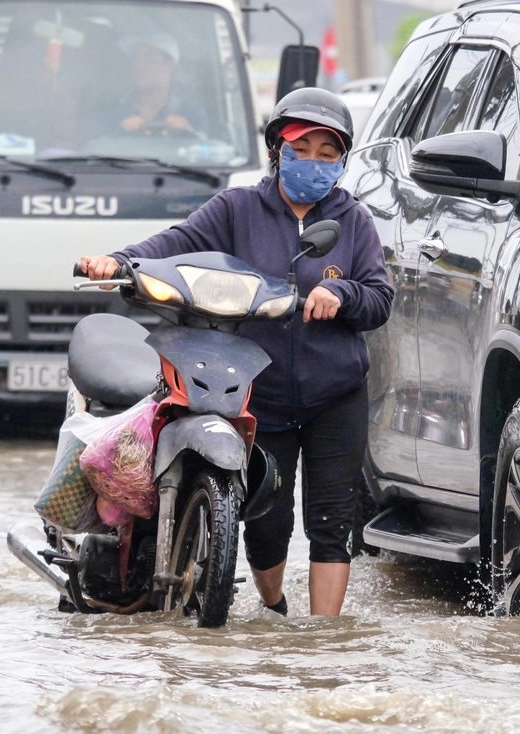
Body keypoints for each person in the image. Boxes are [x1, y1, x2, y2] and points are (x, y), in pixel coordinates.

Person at [79, 88, 393, 616]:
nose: (313, 162)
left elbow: (380, 298)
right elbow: (175, 243)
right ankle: (274, 606)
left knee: (332, 521)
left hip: (336, 393)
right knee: (267, 521)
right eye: (302, 148)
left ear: (341, 161)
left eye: (327, 152)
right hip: (257, 390)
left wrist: (340, 294)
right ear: (276, 150)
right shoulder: (237, 208)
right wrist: (119, 261)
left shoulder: (354, 221)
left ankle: (322, 644)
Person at [115, 31, 208, 136]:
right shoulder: (113, 111)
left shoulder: (192, 113)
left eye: (148, 59)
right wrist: (119, 133)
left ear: (170, 65)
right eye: (135, 58)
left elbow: (205, 150)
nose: (138, 66)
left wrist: (187, 131)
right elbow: (96, 147)